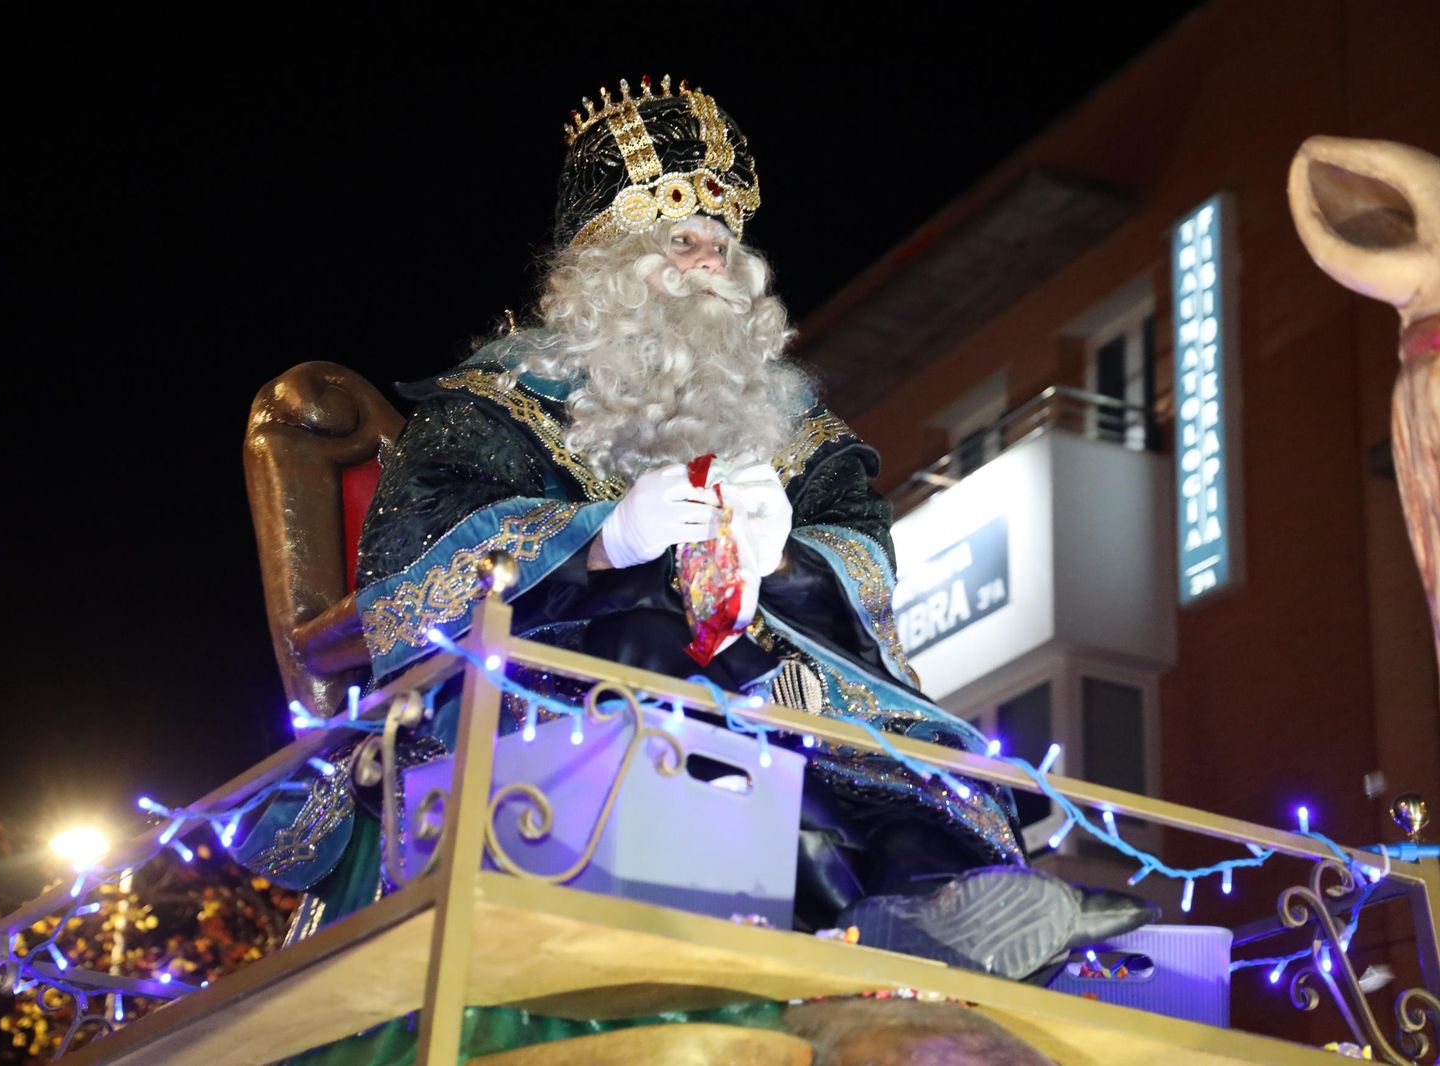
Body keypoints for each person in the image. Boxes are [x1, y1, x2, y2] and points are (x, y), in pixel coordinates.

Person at [251, 76, 1152, 990]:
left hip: (774, 681)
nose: (708, 263)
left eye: (722, 244)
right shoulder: (493, 410)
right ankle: (825, 917)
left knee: (883, 749)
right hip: (549, 691)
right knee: (649, 630)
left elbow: (864, 549)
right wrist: (601, 540)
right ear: (603, 270)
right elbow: (406, 589)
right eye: (678, 239)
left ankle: (935, 900)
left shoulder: (790, 425)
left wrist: (790, 556)